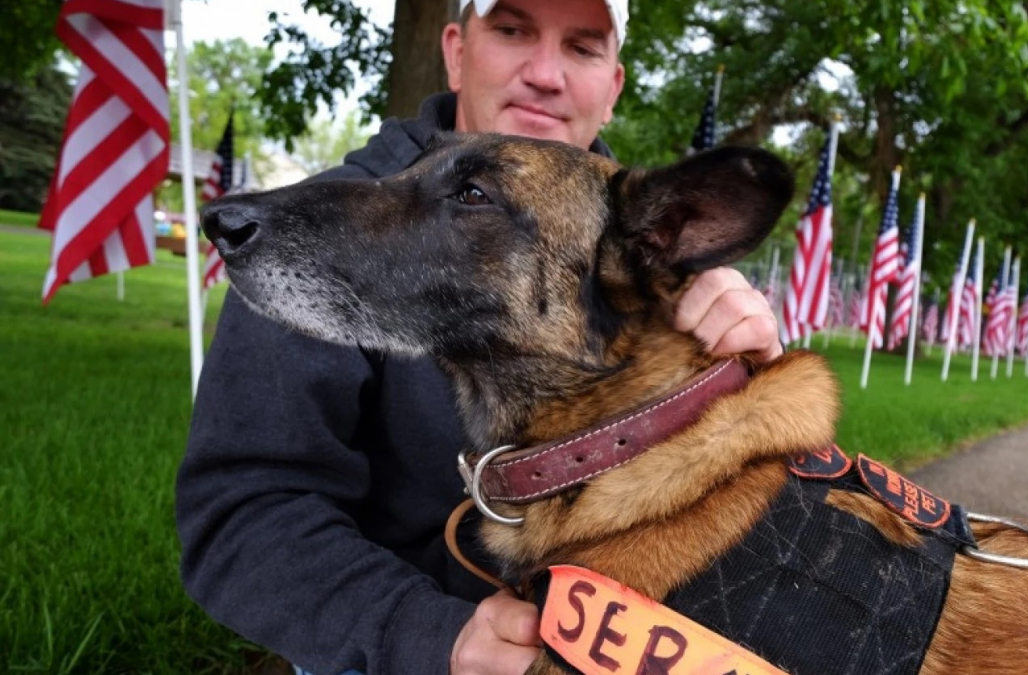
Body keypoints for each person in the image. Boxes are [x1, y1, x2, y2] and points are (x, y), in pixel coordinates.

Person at [175, 1, 783, 674]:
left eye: (582, 48)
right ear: (458, 50)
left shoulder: (656, 254)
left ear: (613, 87)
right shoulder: (321, 234)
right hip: (390, 642)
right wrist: (431, 635)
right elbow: (241, 515)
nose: (546, 73)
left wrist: (733, 384)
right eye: (514, 29)